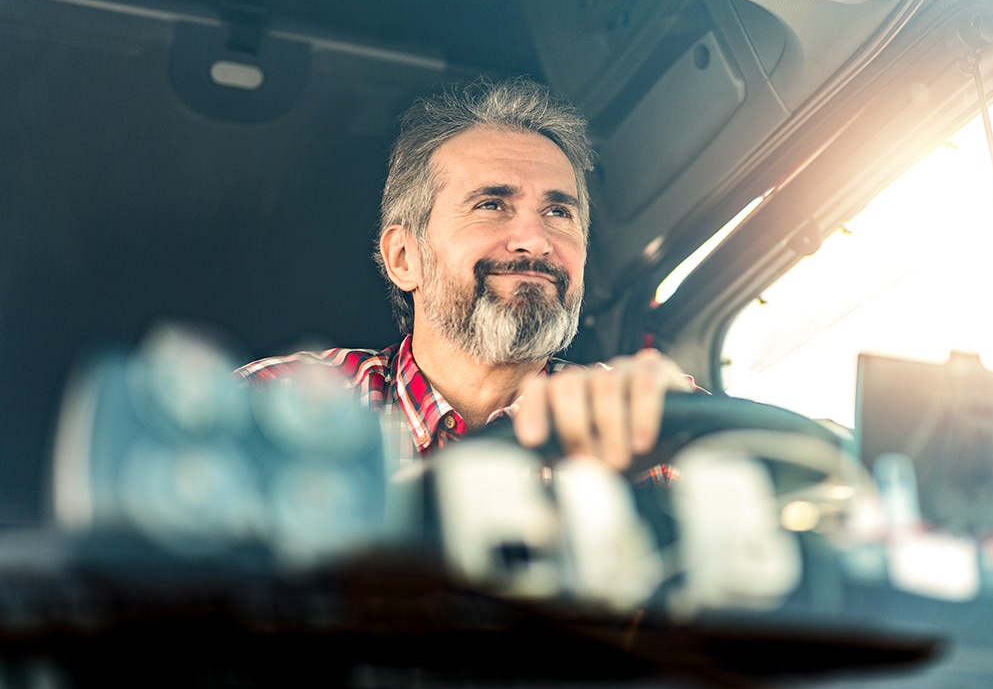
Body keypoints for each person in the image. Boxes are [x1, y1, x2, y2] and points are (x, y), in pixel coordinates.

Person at [237, 77, 694, 473]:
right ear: (403, 257)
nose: (536, 240)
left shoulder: (643, 424)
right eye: (492, 205)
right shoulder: (277, 409)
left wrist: (685, 431)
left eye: (558, 211)